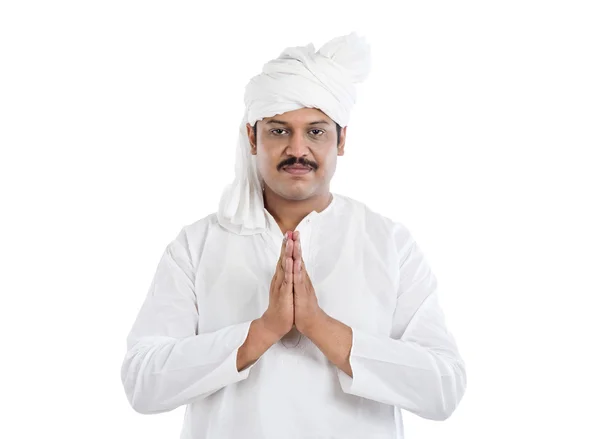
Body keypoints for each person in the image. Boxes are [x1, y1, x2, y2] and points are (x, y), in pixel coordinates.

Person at [120, 32, 467, 439]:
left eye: (316, 131)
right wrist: (262, 332)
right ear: (252, 137)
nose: (297, 148)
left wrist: (320, 328)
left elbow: (443, 389)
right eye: (279, 130)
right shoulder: (197, 245)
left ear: (342, 139)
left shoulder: (388, 243)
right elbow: (142, 383)